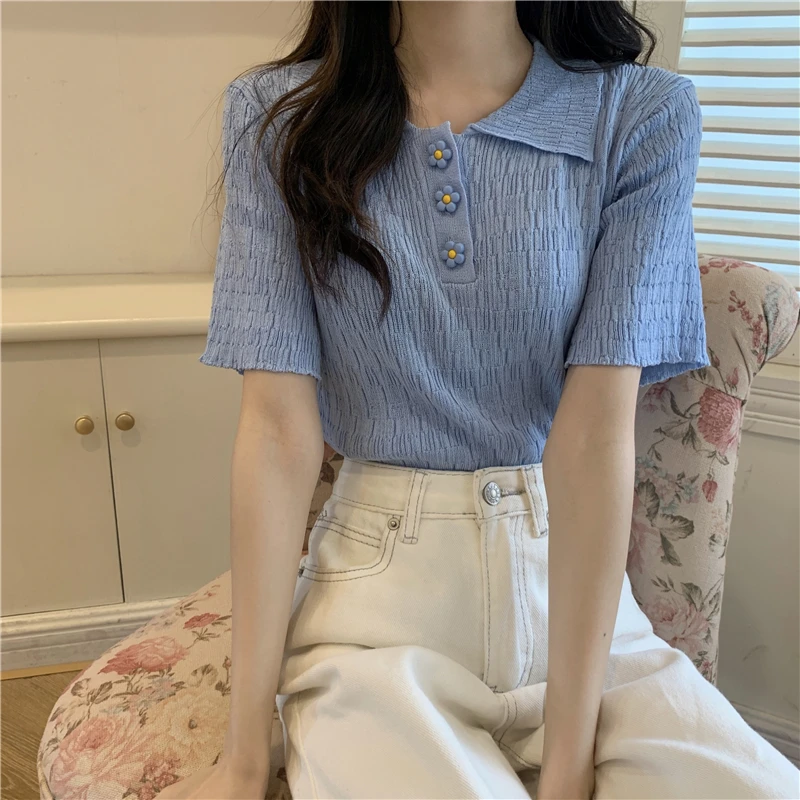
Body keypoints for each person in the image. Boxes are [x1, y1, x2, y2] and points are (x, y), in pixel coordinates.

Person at [156, 2, 800, 798]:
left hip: (580, 612)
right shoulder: (279, 118)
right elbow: (277, 433)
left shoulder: (641, 113)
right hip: (377, 614)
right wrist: (246, 754)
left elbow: (594, 436)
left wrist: (568, 767)